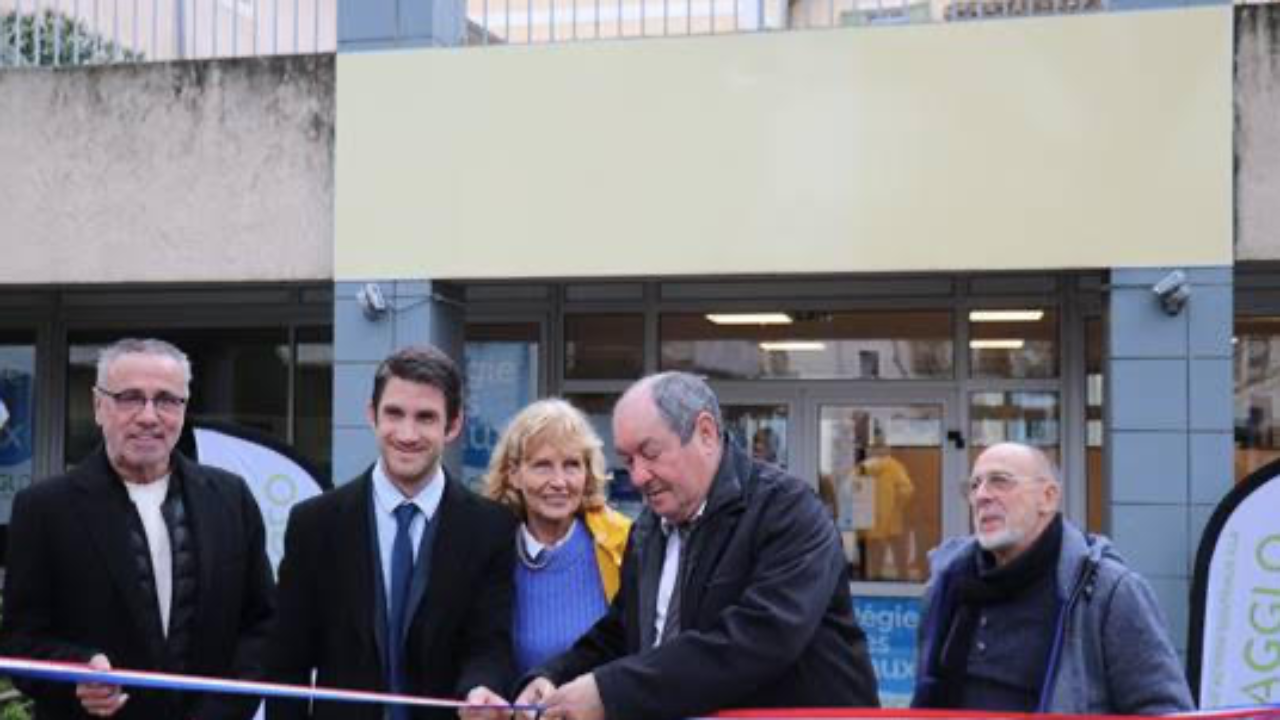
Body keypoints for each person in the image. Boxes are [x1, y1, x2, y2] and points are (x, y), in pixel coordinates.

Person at [512, 371, 880, 720]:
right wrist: (552, 676)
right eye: (628, 460)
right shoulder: (648, 530)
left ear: (705, 433)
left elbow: (757, 640)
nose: (638, 476)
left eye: (650, 453)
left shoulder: (789, 511)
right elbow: (622, 632)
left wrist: (609, 691)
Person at [0, 338, 275, 719]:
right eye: (130, 398)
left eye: (166, 399)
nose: (149, 416)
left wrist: (224, 710)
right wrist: (77, 670)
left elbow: (262, 625)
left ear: (183, 409)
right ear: (99, 406)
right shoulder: (45, 509)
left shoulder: (231, 499)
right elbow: (21, 641)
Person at [266, 345, 516, 720]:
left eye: (426, 417)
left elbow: (489, 644)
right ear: (372, 415)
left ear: (453, 425)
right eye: (394, 414)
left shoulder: (491, 527)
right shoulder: (315, 525)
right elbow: (287, 663)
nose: (407, 433)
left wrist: (481, 688)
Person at [911, 441, 1193, 714]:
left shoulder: (1108, 590)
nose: (982, 496)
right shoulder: (948, 583)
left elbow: (1163, 709)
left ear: (1047, 497)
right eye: (974, 485)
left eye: (1000, 481)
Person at [482, 399, 632, 678]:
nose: (559, 482)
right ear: (514, 474)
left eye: (572, 465)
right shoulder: (489, 552)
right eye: (543, 465)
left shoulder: (621, 545)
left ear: (587, 474)